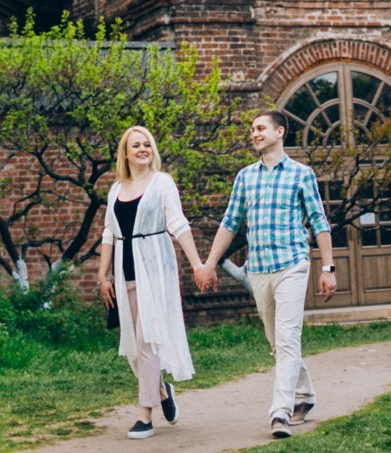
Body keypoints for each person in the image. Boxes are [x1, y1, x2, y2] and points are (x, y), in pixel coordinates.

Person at [199, 110, 337, 440]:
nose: (255, 134)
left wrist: (328, 267)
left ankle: (280, 412)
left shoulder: (302, 175)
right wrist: (209, 263)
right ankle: (305, 395)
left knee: (288, 339)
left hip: (292, 264)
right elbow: (230, 224)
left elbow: (319, 223)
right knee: (277, 342)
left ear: (280, 132)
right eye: (252, 130)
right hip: (259, 270)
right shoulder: (245, 177)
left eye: (261, 128)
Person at [99, 125, 213, 441]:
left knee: (147, 342)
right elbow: (109, 233)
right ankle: (162, 391)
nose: (143, 149)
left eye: (147, 143)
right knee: (134, 348)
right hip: (125, 275)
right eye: (136, 145)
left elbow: (177, 224)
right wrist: (102, 276)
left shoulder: (163, 184)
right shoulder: (115, 189)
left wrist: (197, 264)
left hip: (155, 271)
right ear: (125, 152)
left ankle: (144, 415)